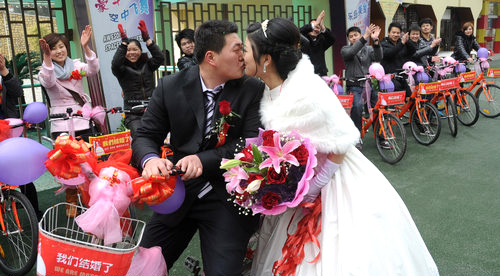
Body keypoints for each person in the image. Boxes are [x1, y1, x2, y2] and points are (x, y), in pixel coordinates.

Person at [243, 17, 440, 276]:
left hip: (333, 182)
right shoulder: (272, 87)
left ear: (266, 59)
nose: (242, 54)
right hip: (299, 184)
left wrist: (313, 188)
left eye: (246, 49)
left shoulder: (307, 91)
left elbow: (341, 142)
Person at [132, 20, 264, 275]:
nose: (243, 56)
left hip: (224, 197)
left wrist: (203, 160)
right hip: (177, 193)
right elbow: (146, 134)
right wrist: (150, 159)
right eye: (237, 49)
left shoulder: (252, 88)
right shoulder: (171, 86)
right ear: (211, 57)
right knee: (141, 267)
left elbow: (250, 144)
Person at [39, 26, 100, 217]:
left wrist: (86, 47)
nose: (59, 51)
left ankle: (93, 198)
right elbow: (49, 82)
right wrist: (47, 58)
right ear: (48, 51)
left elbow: (93, 69)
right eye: (54, 48)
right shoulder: (44, 70)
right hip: (61, 125)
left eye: (61, 46)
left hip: (82, 121)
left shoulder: (76, 65)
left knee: (88, 163)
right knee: (68, 166)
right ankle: (72, 199)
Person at [1, 52, 43, 220]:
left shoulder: (5, 74)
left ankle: (35, 213)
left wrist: (4, 71)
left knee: (21, 171)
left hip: (8, 131)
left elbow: (18, 91)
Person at [112, 20, 164, 139]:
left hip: (153, 110)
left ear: (140, 51)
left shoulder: (148, 64)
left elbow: (159, 58)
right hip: (133, 114)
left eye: (135, 49)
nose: (132, 53)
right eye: (128, 50)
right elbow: (115, 64)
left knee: (160, 138)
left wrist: (147, 39)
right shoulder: (121, 69)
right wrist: (123, 43)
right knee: (140, 138)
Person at [341, 25, 382, 134]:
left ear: (360, 35)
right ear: (348, 39)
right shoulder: (345, 49)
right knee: (357, 108)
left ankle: (380, 135)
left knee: (378, 107)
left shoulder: (368, 49)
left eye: (356, 35)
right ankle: (357, 135)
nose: (354, 38)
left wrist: (376, 41)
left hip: (368, 85)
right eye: (351, 36)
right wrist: (365, 37)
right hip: (354, 86)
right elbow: (352, 52)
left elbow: (378, 58)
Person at [299, 10, 335, 76]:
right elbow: (299, 32)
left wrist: (323, 27)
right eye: (314, 27)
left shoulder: (322, 40)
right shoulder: (303, 39)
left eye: (318, 27)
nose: (315, 29)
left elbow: (332, 39)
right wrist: (315, 23)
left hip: (321, 74)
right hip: (306, 74)